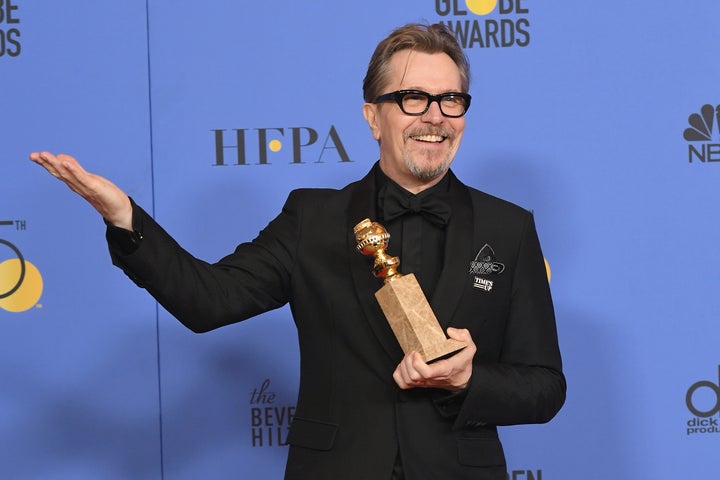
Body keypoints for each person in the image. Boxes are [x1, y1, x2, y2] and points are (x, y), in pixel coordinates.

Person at [30, 23, 565, 480]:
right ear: (372, 116)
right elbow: (207, 301)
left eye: (451, 99)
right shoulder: (314, 220)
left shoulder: (509, 227)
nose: (434, 116)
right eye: (412, 98)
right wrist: (125, 217)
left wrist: (470, 378)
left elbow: (545, 388)